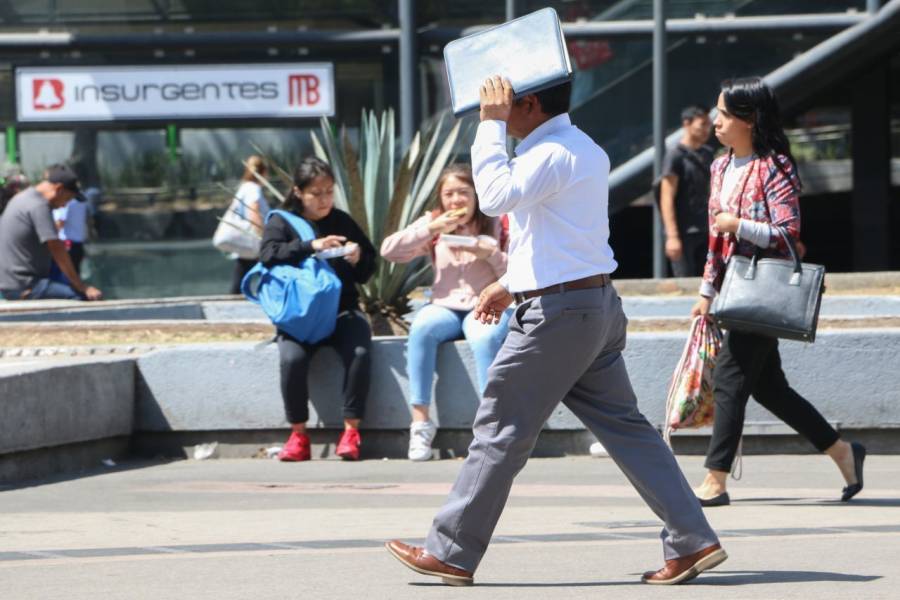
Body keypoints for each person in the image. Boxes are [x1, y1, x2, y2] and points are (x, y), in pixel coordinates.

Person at [386, 77, 725, 586]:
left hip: (559, 315)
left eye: (504, 101)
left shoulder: (548, 152)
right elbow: (557, 235)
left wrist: (489, 126)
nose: (493, 105)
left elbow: (495, 198)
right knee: (628, 430)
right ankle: (693, 540)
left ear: (528, 103)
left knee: (498, 430)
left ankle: (452, 551)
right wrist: (510, 283)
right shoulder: (578, 147)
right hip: (590, 303)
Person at [690, 77, 865, 507]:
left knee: (731, 380)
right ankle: (842, 451)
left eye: (726, 114)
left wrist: (739, 225)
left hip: (762, 288)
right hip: (732, 288)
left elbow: (788, 233)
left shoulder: (776, 166)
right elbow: (716, 240)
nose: (717, 121)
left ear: (750, 120)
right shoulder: (718, 166)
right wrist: (706, 292)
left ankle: (715, 478)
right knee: (769, 388)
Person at [381, 163, 511, 462]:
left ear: (476, 195)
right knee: (421, 330)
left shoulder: (497, 222)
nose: (456, 201)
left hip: (485, 303)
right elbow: (389, 250)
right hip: (443, 305)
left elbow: (518, 272)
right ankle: (420, 423)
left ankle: (491, 426)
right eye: (449, 194)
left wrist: (490, 254)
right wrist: (431, 229)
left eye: (463, 193)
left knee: (486, 338)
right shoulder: (435, 223)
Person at [259, 157, 376, 462]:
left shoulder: (342, 220)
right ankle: (298, 435)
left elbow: (367, 270)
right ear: (299, 192)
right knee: (292, 359)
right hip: (300, 317)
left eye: (329, 191)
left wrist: (357, 258)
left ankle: (351, 432)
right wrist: (312, 246)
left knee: (360, 353)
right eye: (316, 193)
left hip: (341, 311)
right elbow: (268, 256)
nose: (324, 200)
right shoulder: (282, 222)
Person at [0, 164, 102, 301]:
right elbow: (56, 247)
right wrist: (81, 286)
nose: (65, 205)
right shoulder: (38, 205)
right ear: (59, 189)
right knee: (81, 298)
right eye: (67, 199)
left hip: (14, 284)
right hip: (26, 286)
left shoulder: (23, 198)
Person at [659, 105, 714, 277]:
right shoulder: (675, 155)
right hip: (683, 233)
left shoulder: (707, 154)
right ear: (687, 124)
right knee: (686, 282)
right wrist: (672, 236)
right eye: (702, 124)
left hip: (707, 229)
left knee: (709, 280)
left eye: (709, 125)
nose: (707, 130)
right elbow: (666, 197)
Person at [230, 155, 271, 294]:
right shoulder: (253, 189)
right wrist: (264, 237)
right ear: (263, 172)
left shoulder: (244, 187)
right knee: (266, 275)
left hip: (246, 242)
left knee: (241, 278)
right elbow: (253, 212)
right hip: (254, 241)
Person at [52, 194, 91, 276]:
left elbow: (59, 224)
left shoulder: (66, 203)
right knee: (75, 275)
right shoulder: (81, 202)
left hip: (66, 245)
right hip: (77, 244)